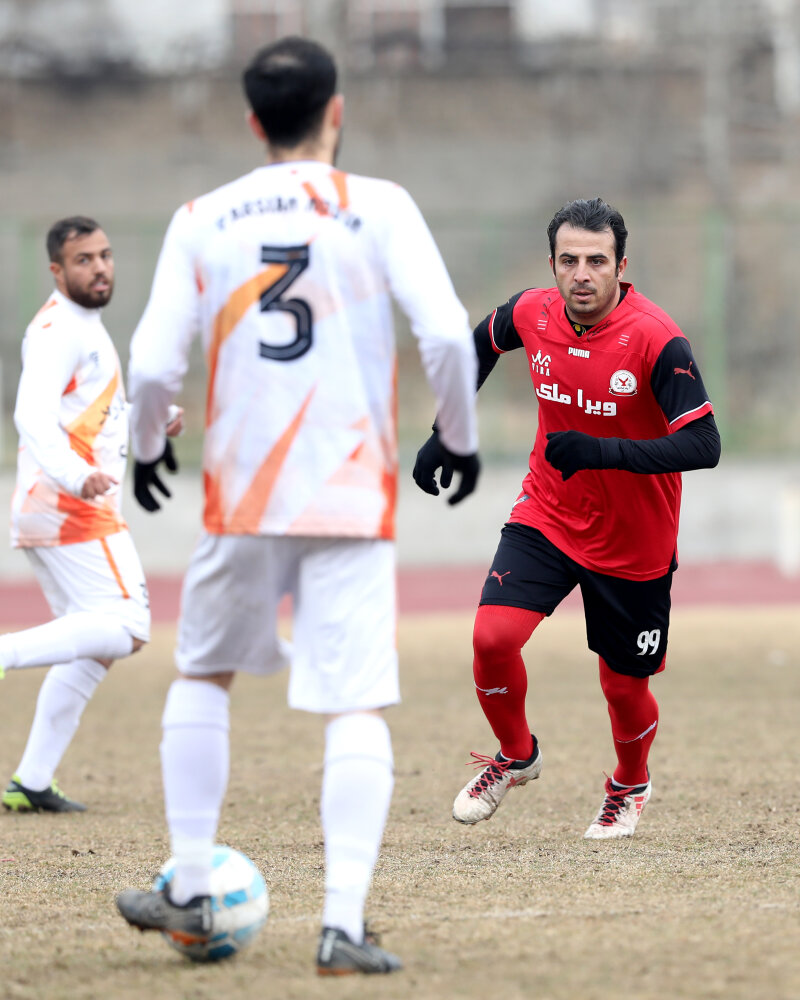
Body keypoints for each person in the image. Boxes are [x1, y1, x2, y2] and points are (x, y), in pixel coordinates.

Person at [114, 36, 479, 975]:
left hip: (241, 491)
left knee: (203, 674)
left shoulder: (202, 217)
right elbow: (447, 335)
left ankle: (190, 880)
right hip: (350, 493)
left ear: (252, 122)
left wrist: (148, 446)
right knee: (353, 703)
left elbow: (150, 364)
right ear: (336, 112)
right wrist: (459, 436)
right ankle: (340, 927)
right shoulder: (381, 206)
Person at [414, 197, 720, 839]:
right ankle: (516, 756)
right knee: (492, 639)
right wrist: (447, 430)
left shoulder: (657, 339)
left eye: (597, 261)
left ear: (621, 267)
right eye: (569, 260)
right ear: (552, 264)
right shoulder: (533, 311)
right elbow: (479, 345)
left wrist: (603, 452)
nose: (582, 274)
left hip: (635, 540)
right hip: (548, 514)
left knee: (623, 688)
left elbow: (704, 444)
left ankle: (629, 784)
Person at [0, 217, 179, 813]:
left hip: (55, 505)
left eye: (104, 255)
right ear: (57, 270)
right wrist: (77, 476)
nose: (100, 267)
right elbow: (30, 414)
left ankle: (31, 782)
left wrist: (153, 417)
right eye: (84, 260)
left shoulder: (82, 325)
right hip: (70, 505)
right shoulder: (59, 330)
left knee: (94, 647)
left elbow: (90, 407)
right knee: (128, 626)